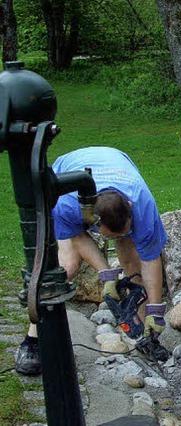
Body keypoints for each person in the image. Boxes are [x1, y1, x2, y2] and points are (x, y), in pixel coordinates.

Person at [15, 147, 168, 375]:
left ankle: (146, 335)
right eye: (111, 236)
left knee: (134, 264)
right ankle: (33, 339)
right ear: (94, 221)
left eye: (126, 230)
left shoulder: (142, 205)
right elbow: (76, 236)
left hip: (116, 161)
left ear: (130, 212)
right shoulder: (67, 203)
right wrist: (106, 274)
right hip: (69, 171)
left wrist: (156, 311)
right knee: (64, 268)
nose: (121, 237)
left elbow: (150, 259)